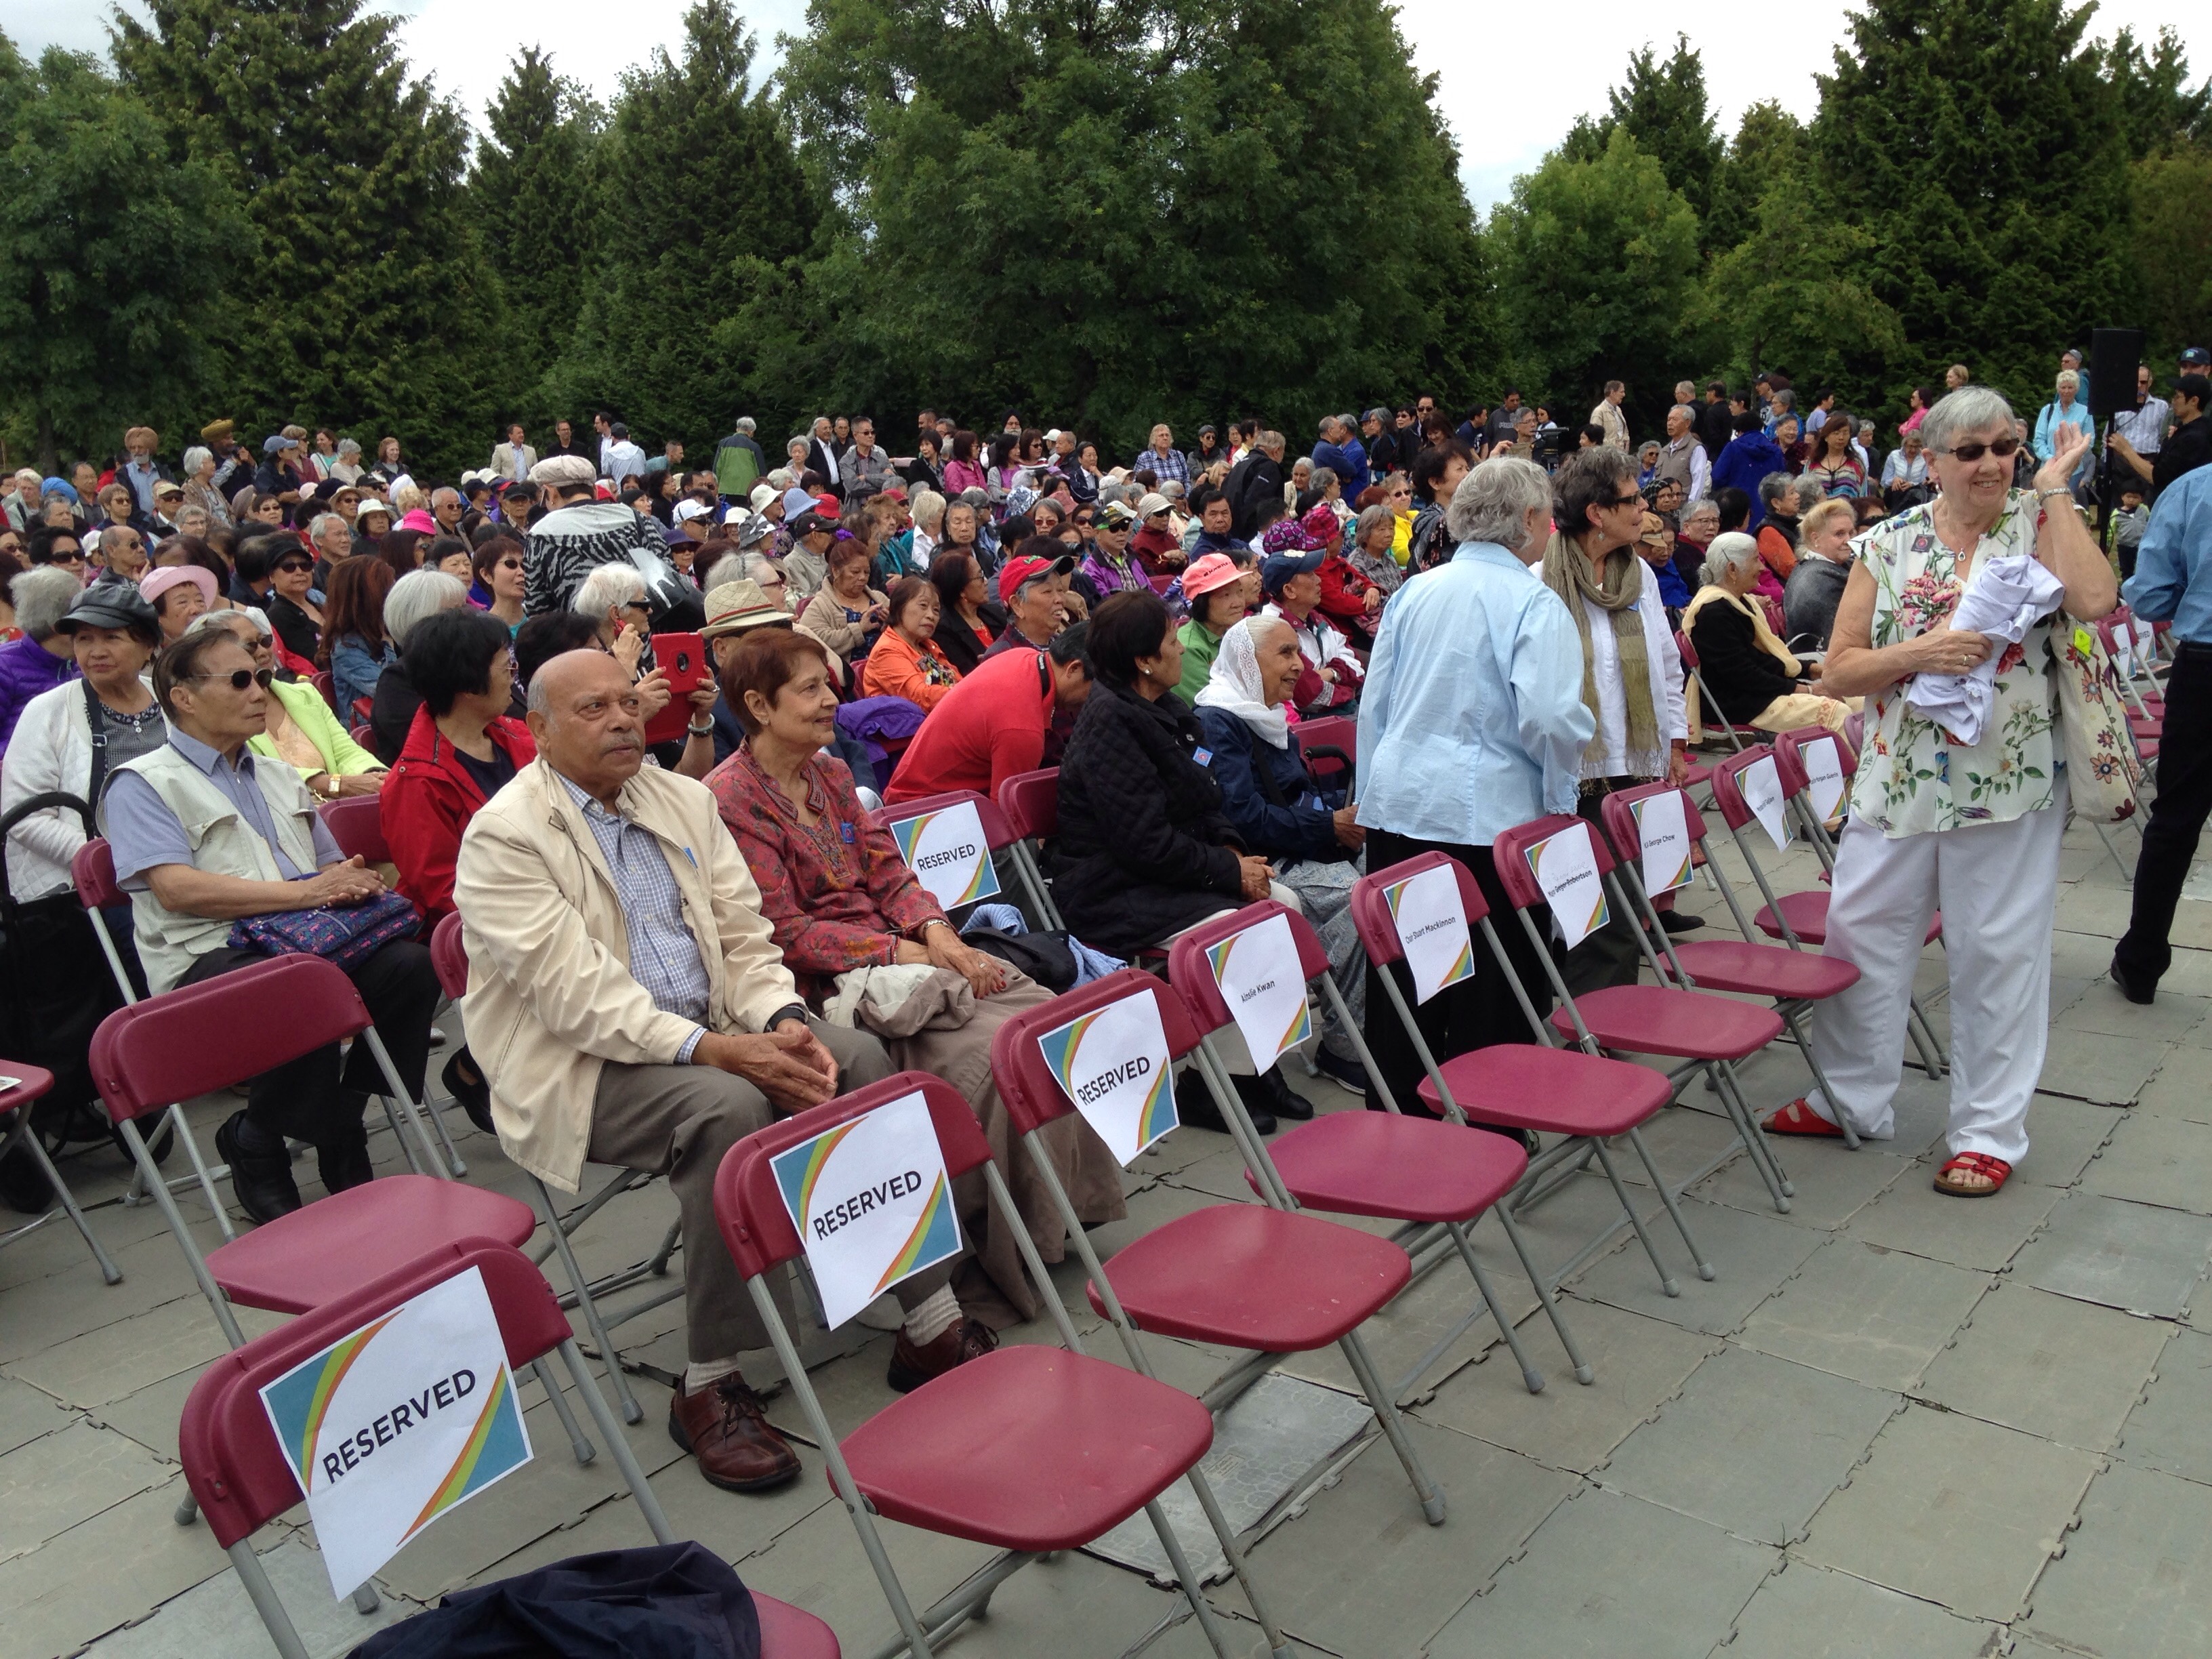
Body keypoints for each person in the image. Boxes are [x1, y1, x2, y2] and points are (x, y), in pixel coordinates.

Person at [453, 649, 991, 1490]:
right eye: (593, 710)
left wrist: (781, 1019)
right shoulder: (505, 836)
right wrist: (720, 1049)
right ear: (540, 731)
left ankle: (926, 1311)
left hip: (724, 1025)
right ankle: (710, 1381)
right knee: (727, 1109)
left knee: (854, 1058)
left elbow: (744, 937)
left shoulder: (679, 798)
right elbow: (573, 997)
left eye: (629, 702)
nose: (625, 720)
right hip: (581, 1064)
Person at [706, 627, 1124, 1323]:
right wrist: (910, 953)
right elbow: (786, 932)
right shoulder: (731, 800)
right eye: (809, 689)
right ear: (757, 704)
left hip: (906, 953)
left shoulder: (832, 773)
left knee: (1044, 1014)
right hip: (833, 985)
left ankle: (1057, 1219)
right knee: (989, 1062)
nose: (829, 701)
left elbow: (891, 873)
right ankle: (983, 1256)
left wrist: (938, 933)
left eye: (827, 684)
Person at [1772, 388, 2115, 1196]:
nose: (1993, 463)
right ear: (1931, 463)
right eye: (1971, 452)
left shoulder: (2040, 523)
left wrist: (2059, 487)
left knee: (1998, 950)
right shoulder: (1887, 543)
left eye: (2004, 448)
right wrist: (1917, 653)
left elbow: (2096, 602)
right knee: (1861, 933)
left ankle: (1990, 1130)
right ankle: (1851, 1097)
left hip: (2011, 776)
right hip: (1898, 773)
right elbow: (1841, 666)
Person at [102, 626, 440, 1221]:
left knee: (411, 963)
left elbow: (332, 862)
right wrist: (308, 891)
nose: (261, 691)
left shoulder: (280, 775)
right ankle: (259, 1139)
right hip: (208, 952)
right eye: (240, 680)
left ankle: (342, 1117)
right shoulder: (145, 782)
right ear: (183, 697)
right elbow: (177, 891)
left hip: (307, 940)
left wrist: (351, 880)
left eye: (262, 677)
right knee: (301, 985)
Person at [1353, 455, 1594, 1109]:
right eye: (1547, 514)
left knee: (1410, 976)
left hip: (1405, 809)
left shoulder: (1416, 591)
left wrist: (1371, 795)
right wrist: (1560, 800)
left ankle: (1400, 1115)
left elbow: (1375, 706)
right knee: (1496, 984)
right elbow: (1549, 715)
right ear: (1528, 520)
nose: (1552, 527)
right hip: (1491, 817)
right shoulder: (1533, 603)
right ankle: (1492, 1124)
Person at [1192, 616, 1370, 1088]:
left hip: (1302, 840)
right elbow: (1242, 817)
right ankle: (1346, 1047)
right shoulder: (1218, 721)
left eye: (1299, 652)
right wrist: (1328, 826)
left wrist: (1337, 824)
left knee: (1390, 868)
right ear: (1248, 663)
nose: (1299, 665)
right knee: (1355, 902)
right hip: (1260, 859)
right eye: (1286, 654)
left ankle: (1387, 1019)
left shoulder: (1264, 713)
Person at [1050, 589, 1273, 950]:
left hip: (1176, 872)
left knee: (1283, 906)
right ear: (1144, 661)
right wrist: (1229, 870)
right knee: (1252, 932)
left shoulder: (1167, 705)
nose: (1182, 648)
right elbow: (1145, 844)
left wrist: (1232, 851)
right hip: (1116, 891)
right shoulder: (1109, 726)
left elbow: (1207, 796)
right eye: (1172, 641)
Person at [1543, 446, 1692, 981]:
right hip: (1571, 767)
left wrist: (1675, 740)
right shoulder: (1542, 578)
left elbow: (1666, 665)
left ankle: (1607, 1012)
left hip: (1636, 757)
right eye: (1631, 500)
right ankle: (1594, 1025)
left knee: (1627, 893)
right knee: (1596, 902)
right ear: (1596, 513)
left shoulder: (1641, 577)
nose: (1644, 511)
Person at [2112, 458, 2212, 1003]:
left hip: (2205, 668)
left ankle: (2143, 960)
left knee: (2175, 820)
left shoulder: (2195, 489)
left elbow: (2149, 597)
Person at [2, 585, 164, 907]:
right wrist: (112, 860)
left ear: (148, 646)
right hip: (82, 895)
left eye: (111, 638)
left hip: (174, 874)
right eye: (84, 639)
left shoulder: (172, 702)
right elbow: (24, 817)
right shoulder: (48, 710)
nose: (96, 651)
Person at [382, 607, 533, 929]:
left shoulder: (517, 735)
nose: (513, 674)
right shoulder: (418, 782)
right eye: (506, 666)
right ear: (468, 684)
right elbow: (445, 891)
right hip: (489, 928)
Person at [882, 623, 1092, 804]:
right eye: (1094, 687)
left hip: (921, 797)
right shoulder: (1021, 728)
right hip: (924, 818)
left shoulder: (1023, 656)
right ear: (1073, 669)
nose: (1092, 700)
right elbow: (1010, 819)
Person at [190, 611, 387, 800]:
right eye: (249, 646)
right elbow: (260, 776)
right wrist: (335, 785)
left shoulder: (305, 695)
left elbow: (345, 751)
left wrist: (373, 776)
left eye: (265, 640)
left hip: (344, 806)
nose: (262, 652)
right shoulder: (219, 718)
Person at [1685, 533, 1856, 737]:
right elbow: (1744, 675)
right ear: (1732, 569)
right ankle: (1853, 769)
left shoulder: (1740, 602)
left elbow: (1762, 661)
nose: (1762, 567)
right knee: (1838, 712)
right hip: (1741, 703)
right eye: (1755, 560)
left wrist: (1812, 669)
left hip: (1758, 692)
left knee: (1857, 697)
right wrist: (1806, 690)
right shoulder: (1713, 613)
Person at [523, 454, 690, 622]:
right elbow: (669, 572)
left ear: (551, 493)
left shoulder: (541, 535)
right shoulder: (636, 519)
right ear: (594, 491)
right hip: (640, 638)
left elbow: (536, 608)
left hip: (578, 642)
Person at [370, 569, 471, 764]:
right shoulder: (398, 683)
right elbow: (446, 751)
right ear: (420, 621)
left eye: (465, 609)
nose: (468, 620)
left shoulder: (473, 663)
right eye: (454, 613)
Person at [1258, 529, 1362, 717]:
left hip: (1344, 712)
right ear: (1289, 590)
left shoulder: (1317, 618)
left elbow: (1357, 669)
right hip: (1311, 722)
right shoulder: (1272, 628)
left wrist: (1332, 673)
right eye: (1310, 575)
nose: (1319, 580)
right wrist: (1346, 687)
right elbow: (1309, 696)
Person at [0, 567, 83, 758]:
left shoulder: (82, 665)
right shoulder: (5, 666)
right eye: (79, 614)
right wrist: (31, 756)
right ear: (59, 623)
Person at [858, 576, 961, 710]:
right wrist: (964, 693)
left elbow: (959, 680)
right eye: (923, 606)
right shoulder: (886, 651)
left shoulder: (928, 646)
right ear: (899, 608)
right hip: (914, 728)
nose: (931, 615)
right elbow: (920, 697)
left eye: (936, 610)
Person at [795, 539, 886, 670]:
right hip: (847, 680)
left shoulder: (880, 599)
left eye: (867, 572)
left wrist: (892, 623)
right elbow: (813, 643)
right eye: (855, 572)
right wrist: (858, 630)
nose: (862, 577)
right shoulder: (820, 605)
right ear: (836, 571)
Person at [1172, 552, 1252, 703]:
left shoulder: (1234, 633)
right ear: (1202, 603)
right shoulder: (1188, 648)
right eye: (1225, 595)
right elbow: (1211, 705)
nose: (1238, 603)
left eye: (1240, 591)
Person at [1781, 499, 1860, 649]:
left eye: (1851, 532)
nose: (1849, 540)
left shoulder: (1821, 565)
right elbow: (1843, 640)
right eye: (1839, 534)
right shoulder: (1818, 580)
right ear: (1816, 539)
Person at [981, 547, 1076, 658]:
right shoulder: (1001, 658)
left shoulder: (1066, 648)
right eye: (1047, 591)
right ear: (1017, 604)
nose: (1059, 599)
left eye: (1060, 590)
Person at [924, 551, 1004, 678]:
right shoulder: (943, 630)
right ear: (962, 590)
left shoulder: (994, 613)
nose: (986, 581)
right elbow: (967, 673)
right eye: (979, 577)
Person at [261, 540, 325, 665]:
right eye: (289, 567)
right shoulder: (279, 614)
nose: (299, 572)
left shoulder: (315, 603)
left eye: (305, 565)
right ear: (271, 576)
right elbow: (313, 659)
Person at [2033, 370, 2095, 495]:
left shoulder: (2085, 412)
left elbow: (2090, 441)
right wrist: (2051, 458)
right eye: (2063, 387)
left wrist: (2070, 458)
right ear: (2058, 389)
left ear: (2076, 389)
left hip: (2074, 472)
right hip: (2048, 468)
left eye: (2070, 387)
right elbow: (2038, 440)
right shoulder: (2047, 411)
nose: (2066, 391)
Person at [142, 563, 216, 644]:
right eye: (183, 602)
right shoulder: (146, 654)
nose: (196, 609)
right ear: (156, 615)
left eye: (199, 600)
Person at [1803, 411, 1866, 498]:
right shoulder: (1813, 463)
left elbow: (1864, 494)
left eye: (1845, 433)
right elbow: (1805, 493)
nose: (1841, 438)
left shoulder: (1856, 462)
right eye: (1836, 433)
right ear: (1826, 437)